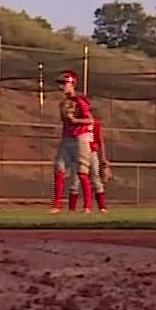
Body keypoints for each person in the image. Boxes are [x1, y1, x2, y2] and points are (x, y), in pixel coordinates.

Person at [51, 70, 97, 214]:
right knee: (59, 168)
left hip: (80, 138)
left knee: (82, 171)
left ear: (72, 84)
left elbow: (90, 120)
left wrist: (76, 120)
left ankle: (87, 207)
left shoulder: (80, 101)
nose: (62, 87)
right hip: (67, 138)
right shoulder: (64, 103)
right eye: (61, 84)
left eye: (65, 84)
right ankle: (56, 206)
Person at [68, 117, 110, 212]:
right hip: (78, 152)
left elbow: (100, 140)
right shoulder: (76, 123)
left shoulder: (95, 123)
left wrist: (103, 158)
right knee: (75, 180)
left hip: (92, 152)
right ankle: (72, 209)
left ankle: (102, 207)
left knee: (96, 177)